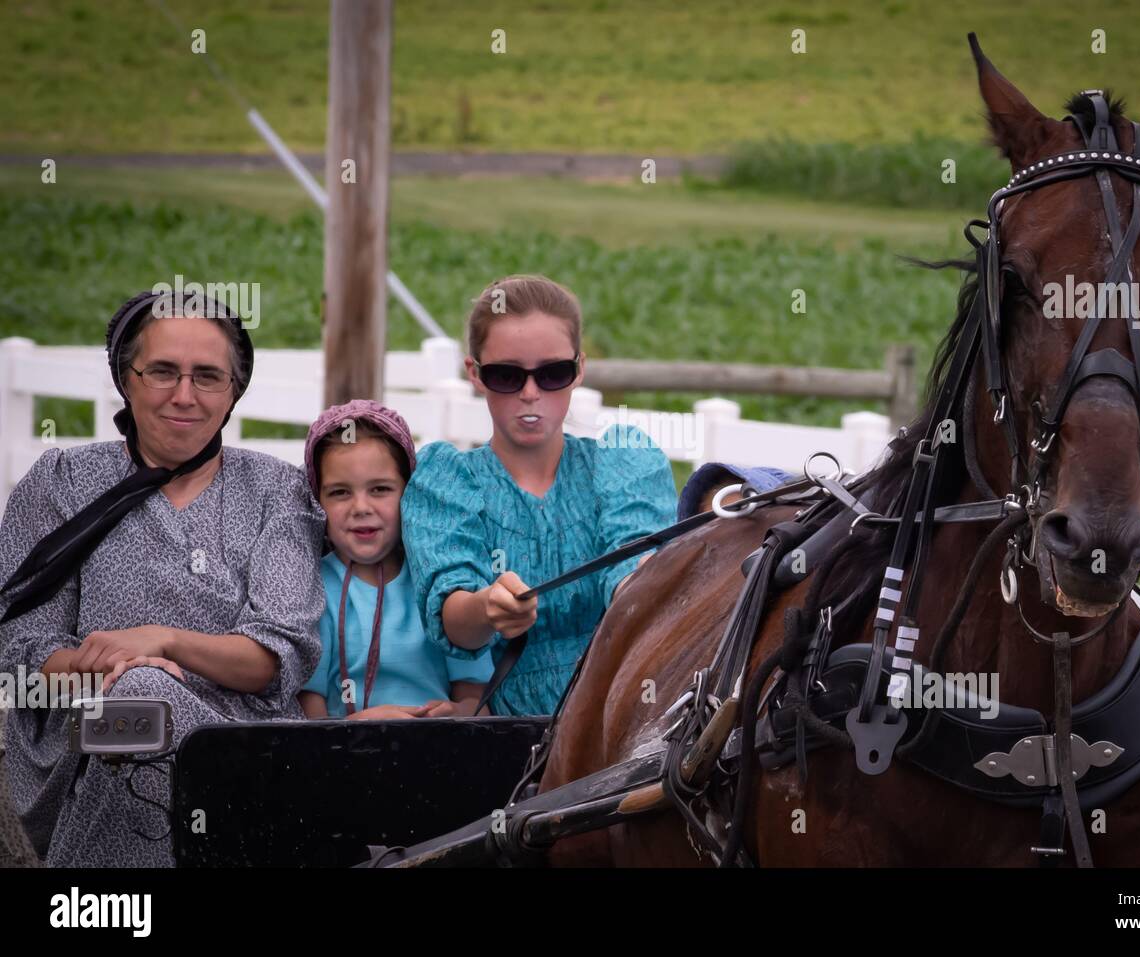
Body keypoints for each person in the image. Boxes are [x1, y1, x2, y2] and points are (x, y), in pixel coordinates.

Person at [0, 290, 324, 866]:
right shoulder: (61, 482)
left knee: (145, 700)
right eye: (162, 372)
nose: (184, 395)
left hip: (237, 735)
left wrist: (163, 642)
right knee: (134, 707)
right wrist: (112, 669)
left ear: (233, 393)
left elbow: (274, 658)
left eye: (207, 377)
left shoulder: (277, 492)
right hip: (90, 729)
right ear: (126, 379)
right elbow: (20, 649)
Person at [403, 275, 678, 716]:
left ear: (580, 370)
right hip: (508, 723)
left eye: (553, 374)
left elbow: (634, 574)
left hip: (620, 709)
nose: (531, 394)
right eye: (507, 376)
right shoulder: (447, 480)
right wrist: (486, 608)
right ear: (475, 374)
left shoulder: (625, 462)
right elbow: (454, 622)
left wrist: (650, 576)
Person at [299, 400, 492, 720]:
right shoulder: (313, 589)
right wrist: (359, 725)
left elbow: (477, 703)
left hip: (441, 757)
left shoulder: (441, 587)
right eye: (340, 493)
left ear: (409, 495)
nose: (360, 507)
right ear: (317, 500)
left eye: (380, 489)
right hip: (342, 761)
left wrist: (455, 714)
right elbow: (309, 715)